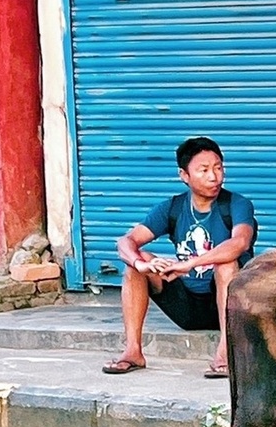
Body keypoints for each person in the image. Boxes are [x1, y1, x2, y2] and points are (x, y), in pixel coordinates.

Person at [101, 136, 257, 379]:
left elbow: (240, 243)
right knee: (135, 266)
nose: (214, 177)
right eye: (204, 170)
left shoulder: (236, 204)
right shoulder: (172, 208)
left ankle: (225, 355)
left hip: (231, 305)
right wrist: (142, 264)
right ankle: (133, 352)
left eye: (218, 168)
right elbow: (126, 241)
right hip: (187, 307)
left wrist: (190, 264)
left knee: (226, 264)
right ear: (184, 175)